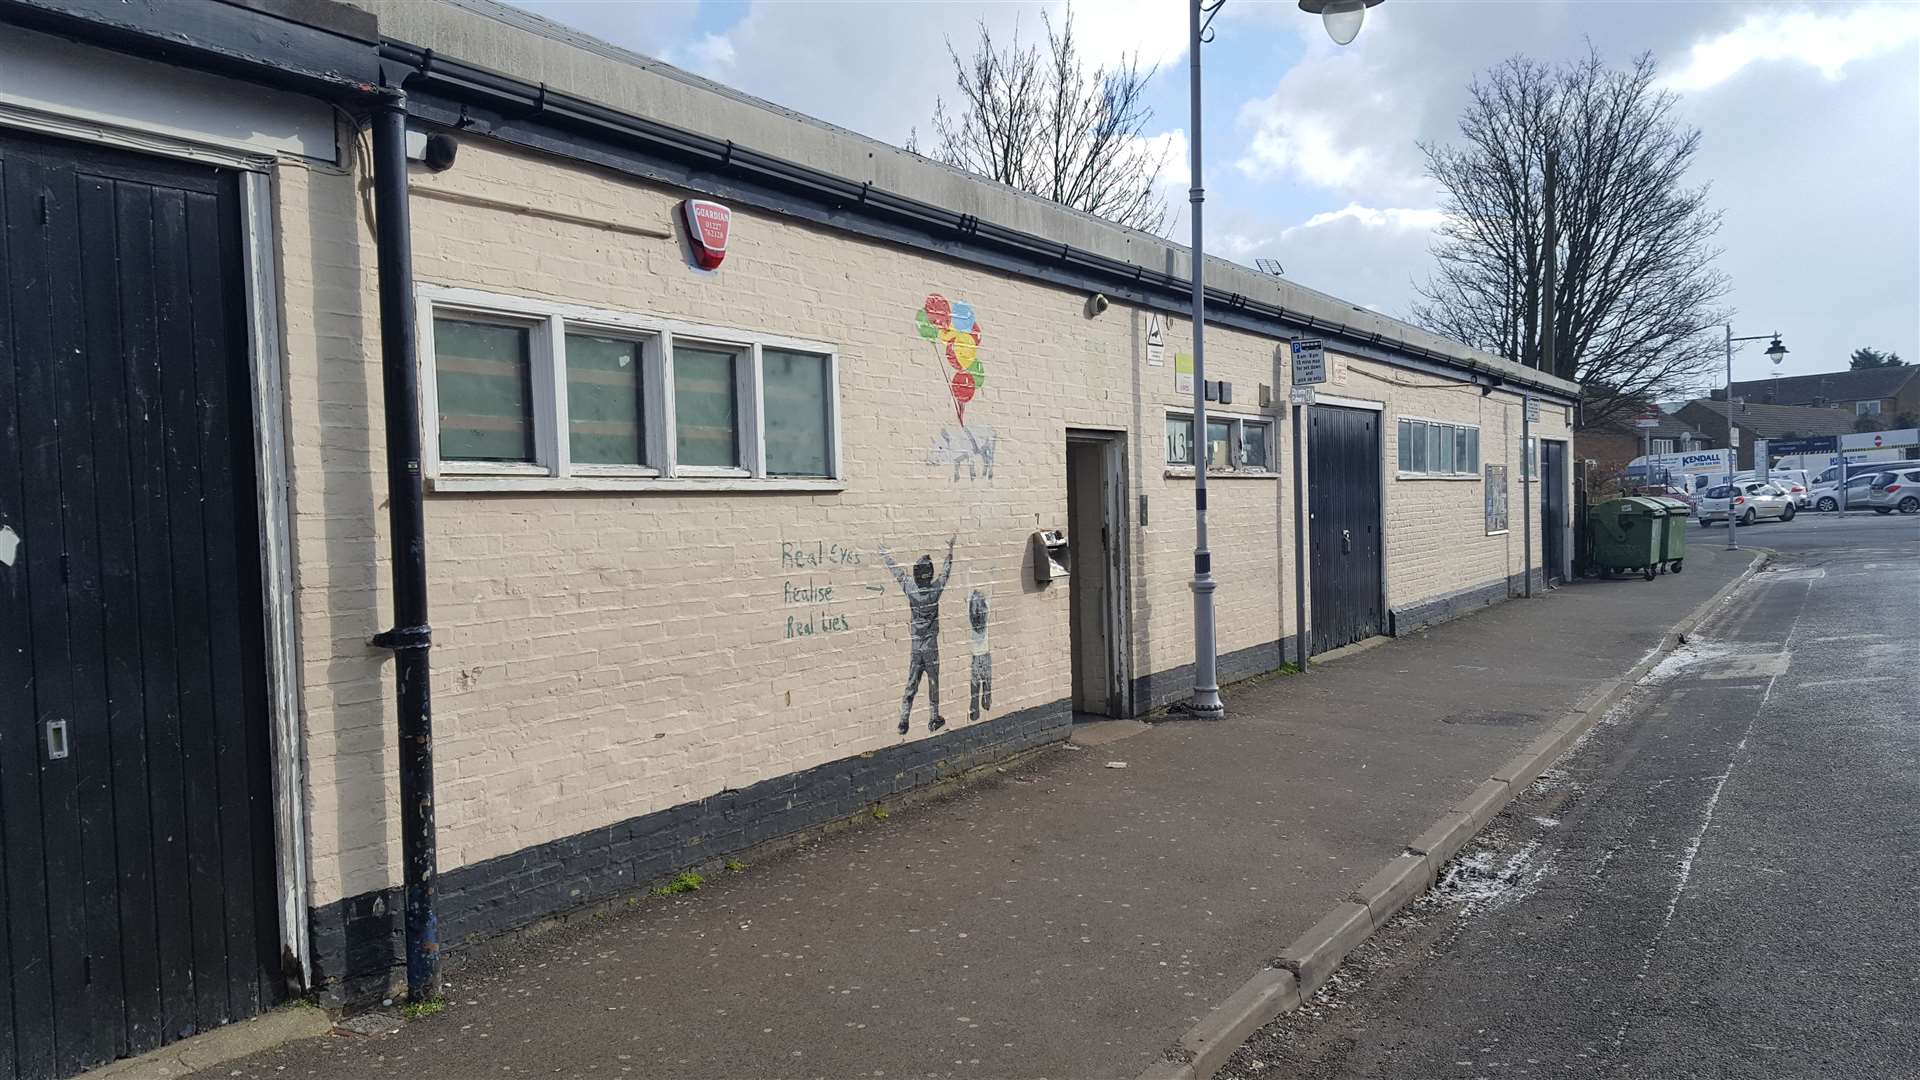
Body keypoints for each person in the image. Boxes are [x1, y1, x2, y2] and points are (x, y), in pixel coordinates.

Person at [881, 537, 954, 734]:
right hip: (931, 646)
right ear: (929, 575)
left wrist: (884, 554)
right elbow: (946, 573)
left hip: (916, 646)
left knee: (911, 682)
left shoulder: (911, 590)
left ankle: (904, 719)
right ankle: (933, 717)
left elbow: (897, 573)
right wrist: (950, 550)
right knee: (933, 682)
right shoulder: (935, 591)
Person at [968, 589, 992, 724]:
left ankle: (975, 708)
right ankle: (985, 702)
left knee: (976, 683)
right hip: (984, 652)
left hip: (977, 654)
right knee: (985, 681)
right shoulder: (985, 616)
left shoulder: (973, 619)